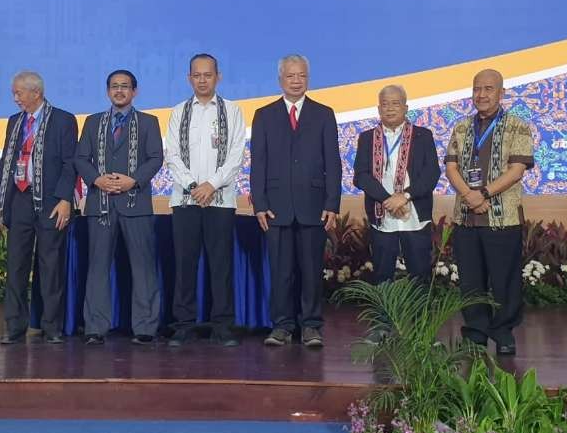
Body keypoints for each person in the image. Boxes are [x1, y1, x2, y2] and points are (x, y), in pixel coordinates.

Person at [249, 54, 341, 348]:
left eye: (301, 75)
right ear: (280, 80)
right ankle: (282, 326)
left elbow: (334, 163)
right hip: (276, 208)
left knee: (312, 271)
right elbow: (258, 163)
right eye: (291, 76)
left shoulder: (324, 113)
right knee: (281, 272)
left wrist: (332, 203)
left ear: (308, 79)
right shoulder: (264, 115)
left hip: (314, 206)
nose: (296, 81)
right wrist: (259, 204)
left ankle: (312, 326)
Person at [444, 69, 535, 356]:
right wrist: (469, 196)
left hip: (502, 217)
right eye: (476, 89)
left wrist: (483, 193)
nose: (481, 95)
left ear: (501, 92)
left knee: (504, 278)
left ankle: (503, 331)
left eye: (488, 89)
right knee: (471, 279)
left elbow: (517, 170)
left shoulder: (518, 127)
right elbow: (451, 167)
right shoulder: (460, 128)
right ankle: (476, 332)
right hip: (466, 218)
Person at [75, 69, 164, 345]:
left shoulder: (149, 122)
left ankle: (145, 328)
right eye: (114, 86)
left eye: (125, 86)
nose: (119, 91)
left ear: (134, 91)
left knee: (144, 268)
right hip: (100, 204)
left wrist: (132, 181)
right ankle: (95, 328)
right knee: (98, 267)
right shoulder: (93, 122)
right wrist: (97, 179)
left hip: (135, 202)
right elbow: (80, 159)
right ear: (107, 91)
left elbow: (155, 158)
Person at [164, 53, 246, 347]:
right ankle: (183, 326)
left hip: (220, 201)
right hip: (185, 201)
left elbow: (237, 155)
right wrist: (192, 185)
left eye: (207, 75)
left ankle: (222, 326)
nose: (202, 80)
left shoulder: (232, 111)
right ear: (189, 78)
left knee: (220, 266)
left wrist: (211, 184)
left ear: (218, 77)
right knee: (185, 266)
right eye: (196, 75)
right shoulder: (178, 112)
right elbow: (171, 154)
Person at [0, 71, 78, 345]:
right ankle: (14, 326)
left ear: (36, 93)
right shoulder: (14, 122)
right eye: (14, 93)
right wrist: (1, 201)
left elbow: (70, 164)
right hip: (19, 200)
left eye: (19, 93)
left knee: (50, 265)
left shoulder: (63, 120)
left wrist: (66, 199)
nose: (15, 98)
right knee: (16, 265)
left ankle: (51, 326)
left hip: (51, 202)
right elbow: (9, 161)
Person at [353, 85, 441, 287]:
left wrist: (405, 196)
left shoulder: (423, 135)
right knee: (383, 276)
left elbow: (431, 174)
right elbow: (361, 176)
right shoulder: (367, 138)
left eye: (395, 103)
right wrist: (387, 199)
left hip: (415, 215)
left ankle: (420, 318)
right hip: (382, 216)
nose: (390, 108)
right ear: (378, 109)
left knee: (419, 275)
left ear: (405, 107)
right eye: (385, 104)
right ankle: (386, 319)